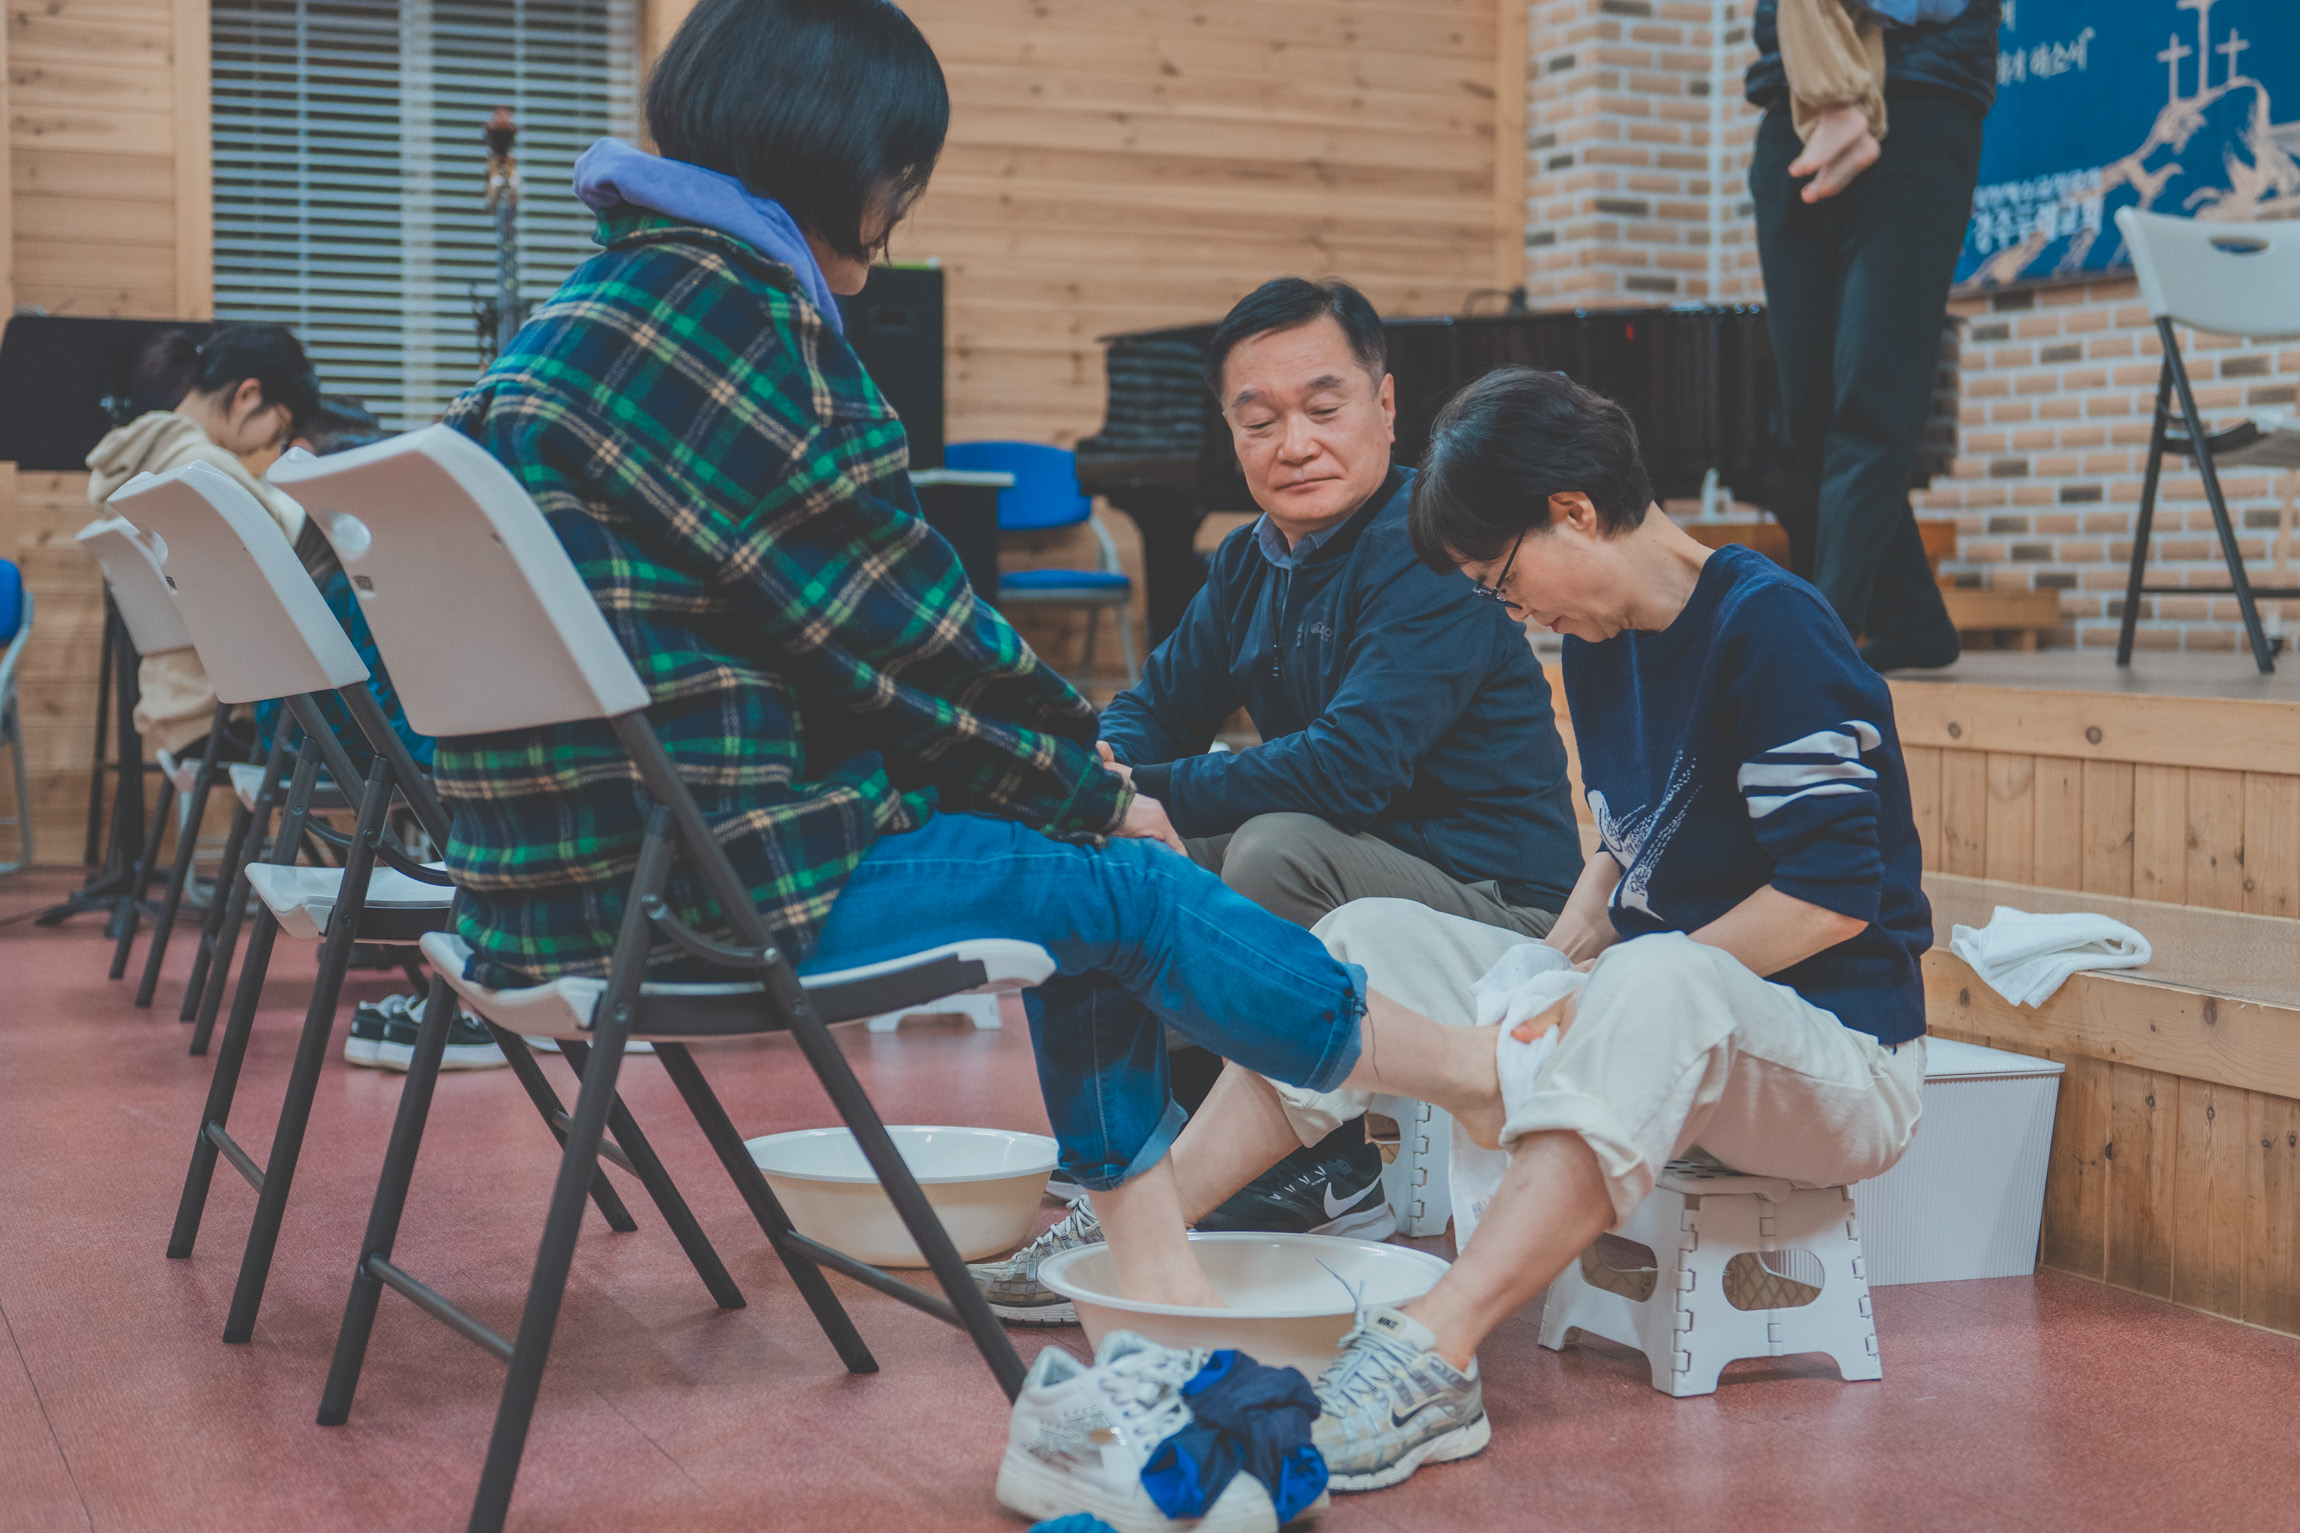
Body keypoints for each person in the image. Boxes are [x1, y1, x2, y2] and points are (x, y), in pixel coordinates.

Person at [439, 15, 1512, 1521]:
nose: (902, 205)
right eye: (904, 171)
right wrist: (1097, 789)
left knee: (1087, 856)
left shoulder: (582, 313)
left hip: (536, 889)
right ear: (850, 160)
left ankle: (1153, 1315)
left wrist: (1076, 777)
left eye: (1319, 406)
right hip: (701, 888)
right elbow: (915, 639)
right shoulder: (745, 326)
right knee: (1119, 881)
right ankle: (1480, 1074)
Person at [1145, 366, 1932, 1493]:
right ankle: (1144, 1229)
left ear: (1573, 509)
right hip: (1668, 1014)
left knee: (1655, 978)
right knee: (1365, 934)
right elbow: (1627, 844)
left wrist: (1596, 997)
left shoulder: (1773, 626)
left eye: (1505, 583)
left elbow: (1829, 897)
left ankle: (1432, 1352)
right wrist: (1552, 966)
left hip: (1838, 1058)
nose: (1515, 615)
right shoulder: (1607, 639)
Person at [997, 276, 1578, 1260]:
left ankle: (1323, 1166)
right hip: (1353, 862)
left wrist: (1144, 792)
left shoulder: (1431, 548)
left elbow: (1348, 771)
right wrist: (1101, 775)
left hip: (1496, 903)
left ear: (1384, 405)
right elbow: (1157, 705)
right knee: (1102, 847)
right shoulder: (1247, 560)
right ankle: (1153, 1138)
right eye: (1259, 421)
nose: (1293, 445)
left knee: (1267, 851)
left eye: (1321, 409)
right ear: (1231, 434)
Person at [1745, 0, 1997, 672]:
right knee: (1808, 408)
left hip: (1921, 101)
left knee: (1872, 394)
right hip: (1791, 103)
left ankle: (1821, 643)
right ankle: (1913, 620)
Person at [85, 324, 320, 755]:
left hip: (172, 701)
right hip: (225, 710)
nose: (270, 446)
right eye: (279, 428)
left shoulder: (138, 463)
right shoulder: (202, 470)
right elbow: (293, 559)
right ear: (248, 395)